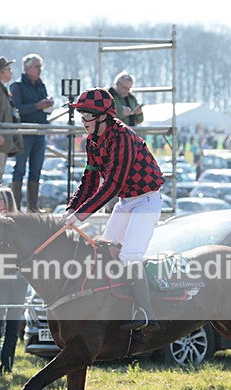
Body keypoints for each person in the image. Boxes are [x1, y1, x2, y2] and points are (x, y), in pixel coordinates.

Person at [60, 88, 165, 331]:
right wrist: (71, 208)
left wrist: (81, 215)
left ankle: (147, 313)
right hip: (127, 201)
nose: (83, 122)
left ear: (103, 117)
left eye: (87, 116)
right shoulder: (92, 142)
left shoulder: (124, 138)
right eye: (81, 116)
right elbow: (89, 181)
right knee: (106, 251)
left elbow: (113, 184)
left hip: (146, 201)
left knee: (129, 256)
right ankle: (111, 306)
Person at [0, 187, 28, 374]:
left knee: (13, 325)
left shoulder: (19, 223)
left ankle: (7, 363)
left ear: (8, 201)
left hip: (18, 280)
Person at [10, 53, 53, 212]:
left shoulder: (41, 86)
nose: (39, 70)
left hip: (39, 132)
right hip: (24, 132)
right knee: (20, 168)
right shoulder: (17, 86)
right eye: (36, 66)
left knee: (36, 168)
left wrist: (47, 105)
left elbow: (43, 108)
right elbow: (17, 108)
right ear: (27, 69)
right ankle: (15, 207)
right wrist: (37, 106)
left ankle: (32, 207)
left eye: (40, 66)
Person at [0, 56, 24, 199]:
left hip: (2, 137)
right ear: (0, 72)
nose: (10, 72)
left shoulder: (1, 89)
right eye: (8, 69)